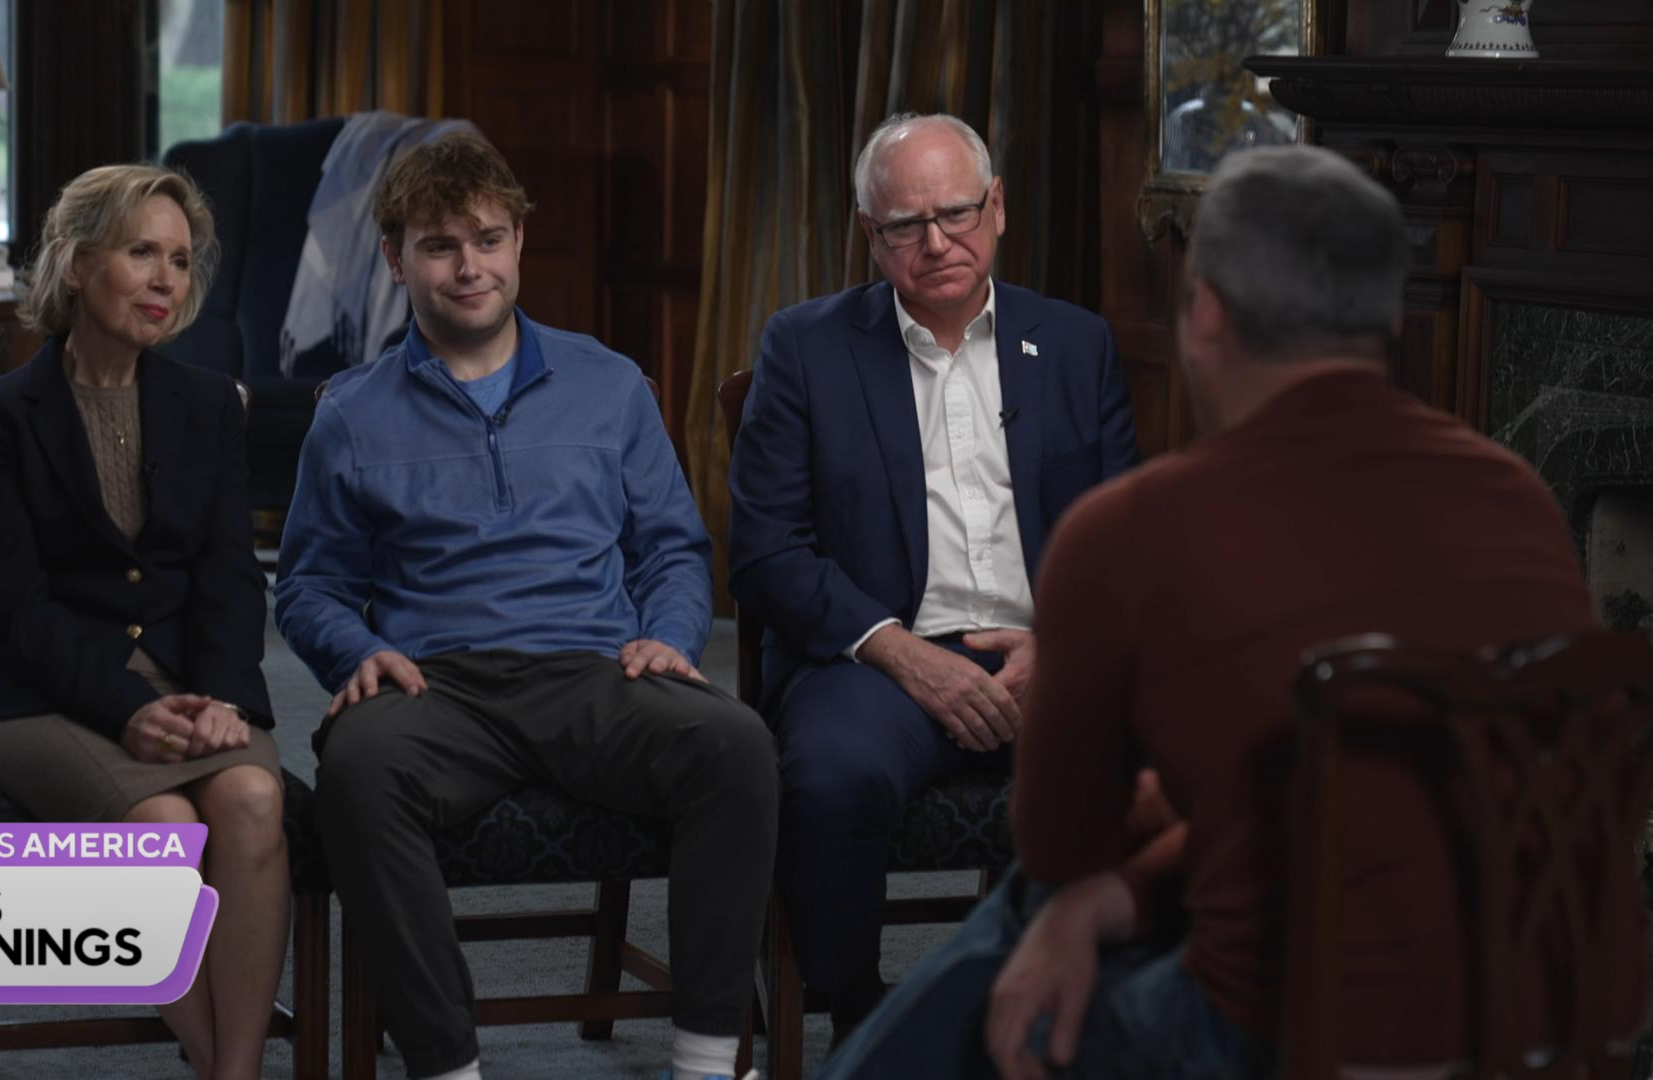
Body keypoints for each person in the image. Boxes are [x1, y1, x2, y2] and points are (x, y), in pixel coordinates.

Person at [815, 144, 1645, 1079]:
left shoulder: (1136, 530)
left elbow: (1057, 845)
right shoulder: (1521, 499)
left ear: (1204, 315)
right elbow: (1364, 805)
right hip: (1543, 1019)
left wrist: (1110, 879)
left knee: (1017, 937)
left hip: (1284, 1035)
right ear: (1386, 314)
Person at [275, 132, 778, 1080]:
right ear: (395, 258)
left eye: (490, 239)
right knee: (356, 768)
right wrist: (354, 653)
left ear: (517, 244)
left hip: (596, 672)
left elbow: (672, 545)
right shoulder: (349, 411)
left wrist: (671, 639)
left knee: (738, 745)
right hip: (438, 689)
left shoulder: (609, 384)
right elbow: (308, 582)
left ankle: (713, 1058)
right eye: (440, 245)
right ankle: (446, 1063)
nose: (470, 266)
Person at [726, 111, 1138, 1032]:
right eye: (905, 225)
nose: (936, 242)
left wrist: (1061, 648)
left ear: (996, 209)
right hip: (875, 661)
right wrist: (904, 653)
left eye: (955, 213)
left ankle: (1116, 1005)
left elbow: (1127, 541)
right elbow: (763, 552)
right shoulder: (805, 347)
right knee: (829, 776)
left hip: (1052, 657)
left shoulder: (1076, 344)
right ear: (871, 235)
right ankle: (855, 1011)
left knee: (1178, 743)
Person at [0, 164, 288, 1080]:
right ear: (75, 262)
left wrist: (224, 697)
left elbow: (227, 574)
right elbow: (11, 601)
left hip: (186, 682)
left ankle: (236, 1072)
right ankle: (223, 1056)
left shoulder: (209, 403)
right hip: (30, 697)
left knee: (255, 800)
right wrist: (121, 703)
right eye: (142, 252)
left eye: (179, 260)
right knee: (168, 828)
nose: (166, 279)